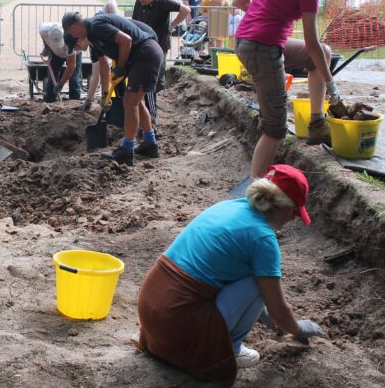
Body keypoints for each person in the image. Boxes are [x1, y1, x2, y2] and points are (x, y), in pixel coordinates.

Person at [136, 164, 324, 385]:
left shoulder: (228, 207)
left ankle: (173, 342)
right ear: (282, 206)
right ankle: (230, 348)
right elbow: (279, 310)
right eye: (294, 212)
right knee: (259, 279)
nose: (293, 219)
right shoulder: (263, 239)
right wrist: (299, 328)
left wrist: (263, 313)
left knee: (253, 274)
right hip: (177, 322)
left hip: (151, 311)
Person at [232, 0, 349, 178]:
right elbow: (312, 44)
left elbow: (238, 2)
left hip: (247, 41)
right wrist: (332, 86)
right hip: (262, 49)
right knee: (275, 128)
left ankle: (317, 123)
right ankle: (255, 191)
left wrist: (267, 18)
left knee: (325, 54)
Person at [62, 11, 162, 166]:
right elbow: (104, 65)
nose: (75, 38)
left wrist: (121, 67)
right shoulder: (93, 38)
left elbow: (126, 40)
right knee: (136, 102)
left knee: (129, 103)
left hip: (145, 54)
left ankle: (127, 150)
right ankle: (150, 143)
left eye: (71, 33)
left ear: (74, 27)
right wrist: (106, 92)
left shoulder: (96, 25)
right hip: (139, 57)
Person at [132, 0, 190, 125]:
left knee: (157, 78)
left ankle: (156, 107)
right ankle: (148, 105)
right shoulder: (138, 3)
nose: (141, 1)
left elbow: (185, 10)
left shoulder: (162, 1)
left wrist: (173, 24)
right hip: (143, 44)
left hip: (160, 44)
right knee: (145, 77)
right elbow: (134, 21)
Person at [82, 0, 119, 111]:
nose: (80, 50)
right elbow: (95, 76)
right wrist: (88, 100)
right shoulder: (93, 48)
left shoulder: (98, 25)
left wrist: (114, 19)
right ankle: (108, 99)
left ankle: (111, 98)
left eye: (78, 46)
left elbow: (111, 2)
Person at [38, 22, 82, 102]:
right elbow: (42, 34)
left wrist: (60, 84)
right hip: (55, 54)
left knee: (74, 79)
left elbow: (71, 66)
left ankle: (74, 101)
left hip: (73, 53)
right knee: (52, 77)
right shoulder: (44, 29)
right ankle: (50, 99)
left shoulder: (70, 41)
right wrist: (47, 47)